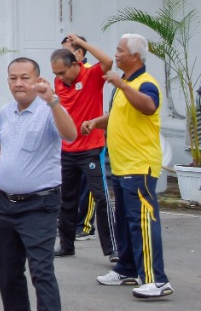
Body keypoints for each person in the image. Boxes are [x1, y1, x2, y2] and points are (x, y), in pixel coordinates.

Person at [68, 33, 173, 299]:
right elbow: (118, 115)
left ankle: (156, 279)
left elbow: (148, 106)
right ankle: (126, 268)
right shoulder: (124, 83)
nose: (115, 55)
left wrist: (121, 85)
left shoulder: (145, 83)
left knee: (143, 223)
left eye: (119, 50)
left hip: (140, 166)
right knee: (125, 222)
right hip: (122, 165)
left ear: (135, 56)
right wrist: (96, 122)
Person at [0, 57, 77, 311]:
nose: (19, 84)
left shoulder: (49, 110)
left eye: (25, 78)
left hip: (39, 205)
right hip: (6, 204)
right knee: (7, 273)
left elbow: (70, 134)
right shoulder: (7, 111)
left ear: (37, 80)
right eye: (13, 78)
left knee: (41, 271)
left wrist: (53, 101)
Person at [50, 46, 115, 261]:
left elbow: (107, 61)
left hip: (91, 149)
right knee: (66, 199)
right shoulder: (59, 83)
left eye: (62, 72)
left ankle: (111, 249)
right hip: (67, 150)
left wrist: (81, 43)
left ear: (76, 65)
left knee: (100, 198)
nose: (59, 78)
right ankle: (67, 245)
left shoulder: (92, 76)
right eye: (56, 74)